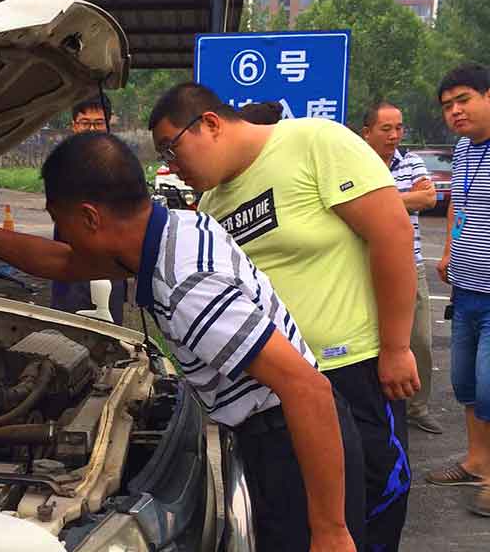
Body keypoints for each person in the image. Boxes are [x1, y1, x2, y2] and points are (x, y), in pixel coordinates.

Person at [0, 132, 365, 551]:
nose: (63, 236)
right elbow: (60, 261)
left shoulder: (185, 284)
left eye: (60, 222)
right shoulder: (173, 229)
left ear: (91, 217)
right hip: (280, 432)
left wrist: (329, 529)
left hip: (296, 445)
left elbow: (307, 389)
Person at [148, 82, 419, 551]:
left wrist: (396, 347)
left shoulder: (314, 142)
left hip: (353, 369)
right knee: (300, 525)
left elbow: (391, 232)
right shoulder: (213, 204)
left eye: (173, 148)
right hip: (278, 395)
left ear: (209, 123)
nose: (173, 166)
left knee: (372, 510)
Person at [427, 63, 490, 517]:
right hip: (466, 289)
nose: (455, 111)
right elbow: (458, 208)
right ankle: (477, 461)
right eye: (448, 105)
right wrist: (449, 251)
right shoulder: (466, 151)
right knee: (465, 381)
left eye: (464, 100)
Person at [362, 101, 442, 434]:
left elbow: (429, 199)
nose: (395, 135)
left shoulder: (410, 162)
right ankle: (377, 405)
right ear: (367, 132)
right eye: (386, 128)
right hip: (364, 262)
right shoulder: (355, 162)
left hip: (412, 262)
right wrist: (404, 198)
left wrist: (375, 200)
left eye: (399, 128)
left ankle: (417, 407)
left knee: (419, 339)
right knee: (371, 338)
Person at [50, 94, 127, 324]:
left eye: (98, 123)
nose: (92, 129)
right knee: (66, 343)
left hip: (110, 274)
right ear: (74, 126)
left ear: (109, 124)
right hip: (69, 273)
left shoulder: (123, 167)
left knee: (112, 345)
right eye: (85, 123)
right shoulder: (60, 166)